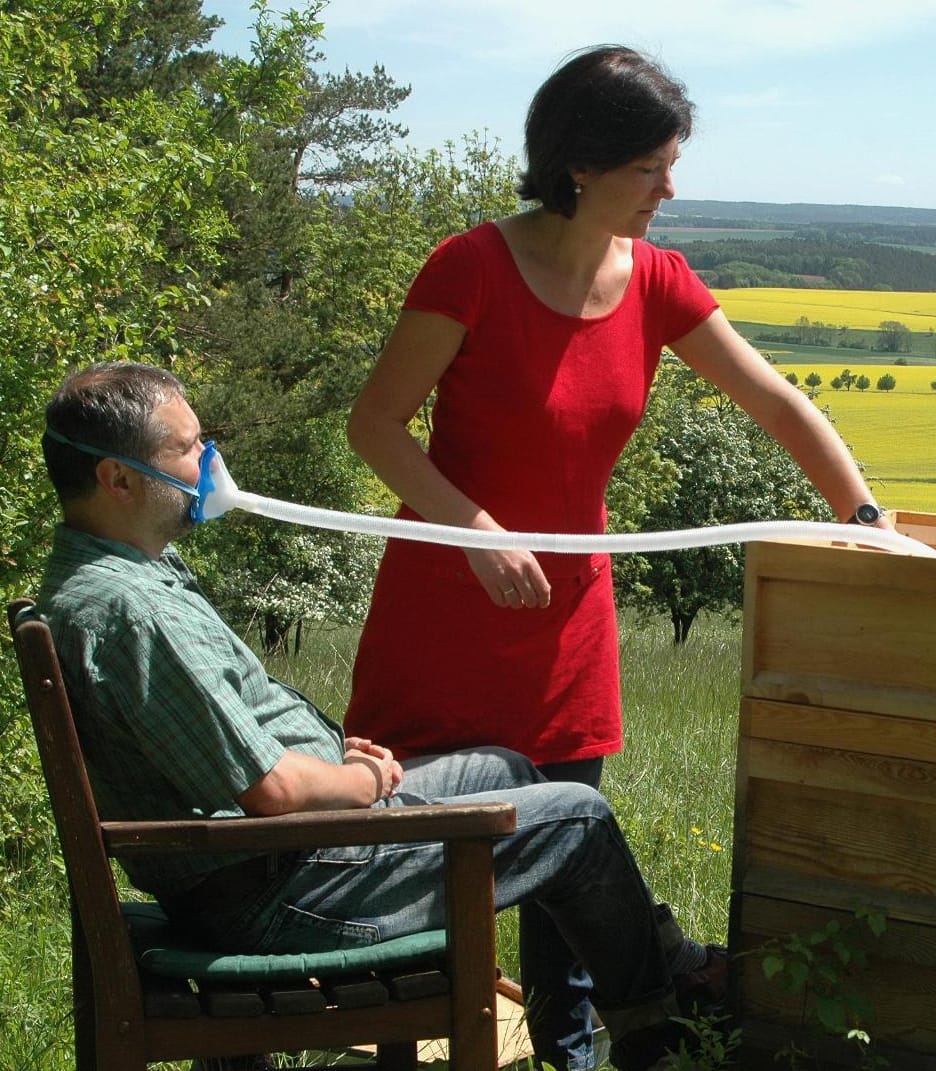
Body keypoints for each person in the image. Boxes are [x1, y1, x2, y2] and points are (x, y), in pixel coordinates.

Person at [341, 44, 888, 1067]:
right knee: (412, 857)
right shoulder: (469, 267)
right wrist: (471, 527)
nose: (669, 190)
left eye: (670, 166)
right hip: (444, 611)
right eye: (650, 169)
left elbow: (778, 403)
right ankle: (403, 1040)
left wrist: (866, 520)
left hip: (569, 622)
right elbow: (374, 426)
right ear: (579, 162)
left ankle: (577, 1054)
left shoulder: (660, 282)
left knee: (566, 858)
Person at [35, 361, 722, 1071]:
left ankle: (619, 1008)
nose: (208, 459)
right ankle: (662, 1040)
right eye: (185, 447)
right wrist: (358, 781)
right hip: (289, 887)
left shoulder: (127, 575)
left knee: (506, 768)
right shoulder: (127, 611)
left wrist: (333, 759)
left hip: (278, 857)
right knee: (576, 817)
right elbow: (268, 790)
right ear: (117, 480)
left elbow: (223, 751)